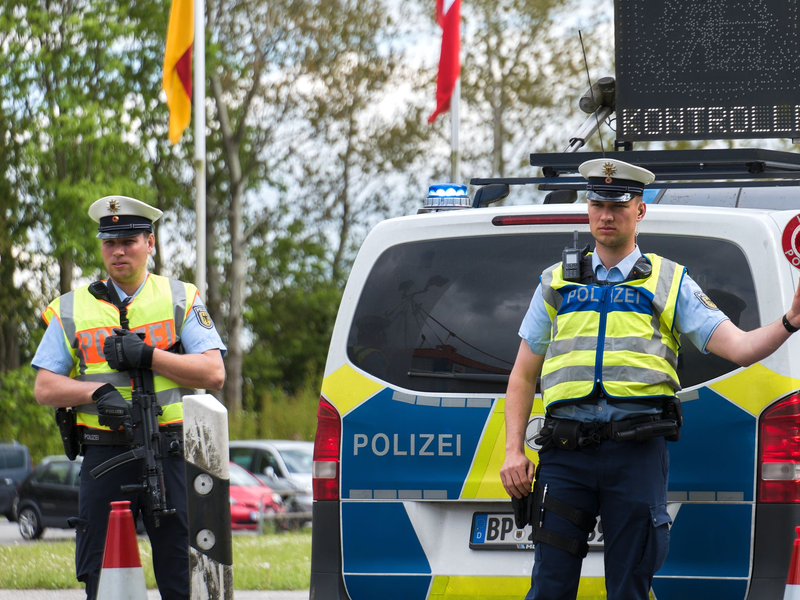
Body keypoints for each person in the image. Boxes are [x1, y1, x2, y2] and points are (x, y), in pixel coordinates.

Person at [499, 158, 800, 600]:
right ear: (587, 206)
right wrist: (512, 450)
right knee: (549, 588)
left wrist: (791, 320)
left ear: (640, 210)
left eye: (618, 205)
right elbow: (523, 374)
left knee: (630, 589)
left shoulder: (670, 281)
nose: (606, 215)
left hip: (635, 457)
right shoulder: (555, 282)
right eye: (598, 203)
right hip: (566, 457)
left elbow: (741, 347)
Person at [32, 195, 226, 600]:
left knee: (182, 572)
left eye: (130, 240)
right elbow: (45, 387)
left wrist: (150, 356)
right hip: (105, 458)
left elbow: (213, 372)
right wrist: (95, 390)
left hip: (170, 452)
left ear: (150, 243)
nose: (118, 251)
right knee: (101, 577)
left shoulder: (180, 297)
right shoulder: (71, 308)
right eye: (109, 242)